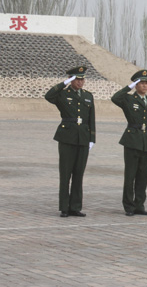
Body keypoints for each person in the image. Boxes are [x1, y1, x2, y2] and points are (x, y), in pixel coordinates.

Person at [45, 66, 95, 217]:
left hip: (83, 138)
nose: (80, 82)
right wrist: (64, 83)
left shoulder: (88, 96)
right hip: (67, 137)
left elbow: (91, 118)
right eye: (77, 79)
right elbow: (48, 96)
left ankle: (75, 207)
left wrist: (92, 138)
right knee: (66, 173)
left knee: (79, 174)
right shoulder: (62, 94)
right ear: (72, 79)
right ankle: (64, 207)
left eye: (82, 79)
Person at [111, 70, 147, 216]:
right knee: (130, 175)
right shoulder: (128, 99)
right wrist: (129, 87)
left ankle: (140, 205)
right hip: (132, 141)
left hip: (146, 141)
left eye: (146, 83)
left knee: (143, 175)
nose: (144, 85)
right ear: (136, 85)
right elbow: (115, 98)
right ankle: (129, 206)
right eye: (141, 83)